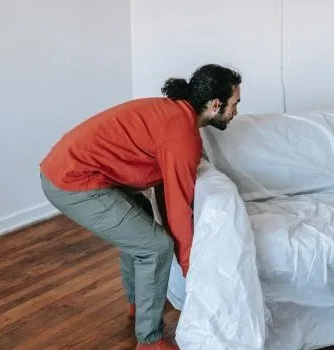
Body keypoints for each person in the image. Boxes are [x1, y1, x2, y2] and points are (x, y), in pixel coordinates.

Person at [39, 64, 242, 349]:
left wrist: (184, 257)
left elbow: (166, 190)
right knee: (155, 246)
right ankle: (149, 340)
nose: (236, 113)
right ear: (214, 104)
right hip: (71, 180)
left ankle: (138, 303)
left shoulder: (177, 116)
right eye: (235, 104)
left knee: (143, 223)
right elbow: (178, 205)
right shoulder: (181, 134)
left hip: (74, 169)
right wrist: (189, 268)